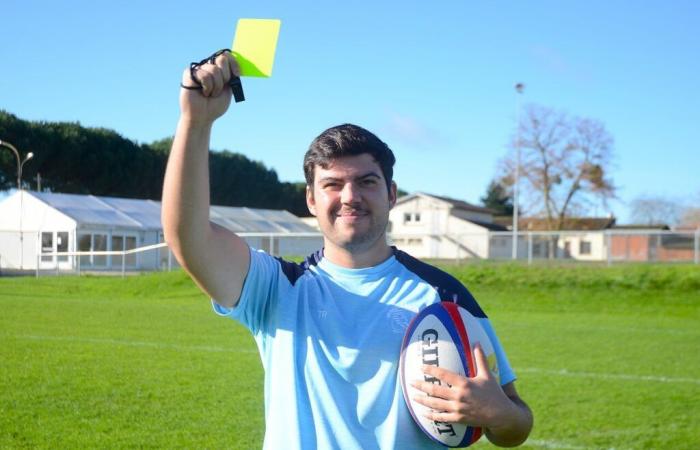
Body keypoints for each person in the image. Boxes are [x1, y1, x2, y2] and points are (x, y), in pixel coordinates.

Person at [162, 51, 533, 449]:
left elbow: (515, 425)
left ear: (392, 194)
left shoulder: (445, 297)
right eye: (333, 184)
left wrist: (500, 413)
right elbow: (189, 236)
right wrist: (195, 123)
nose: (350, 196)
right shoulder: (276, 290)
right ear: (310, 199)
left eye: (367, 182)